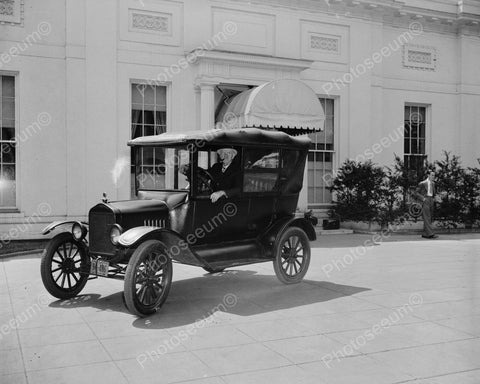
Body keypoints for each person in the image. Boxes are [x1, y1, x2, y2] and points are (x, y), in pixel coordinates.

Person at [415, 171, 438, 239]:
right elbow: (416, 193)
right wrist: (423, 198)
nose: (433, 177)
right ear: (428, 175)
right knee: (427, 217)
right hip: (425, 200)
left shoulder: (433, 184)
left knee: (430, 217)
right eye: (432, 175)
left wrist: (435, 199)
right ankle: (431, 234)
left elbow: (434, 193)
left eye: (434, 175)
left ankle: (425, 234)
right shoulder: (422, 183)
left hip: (431, 200)